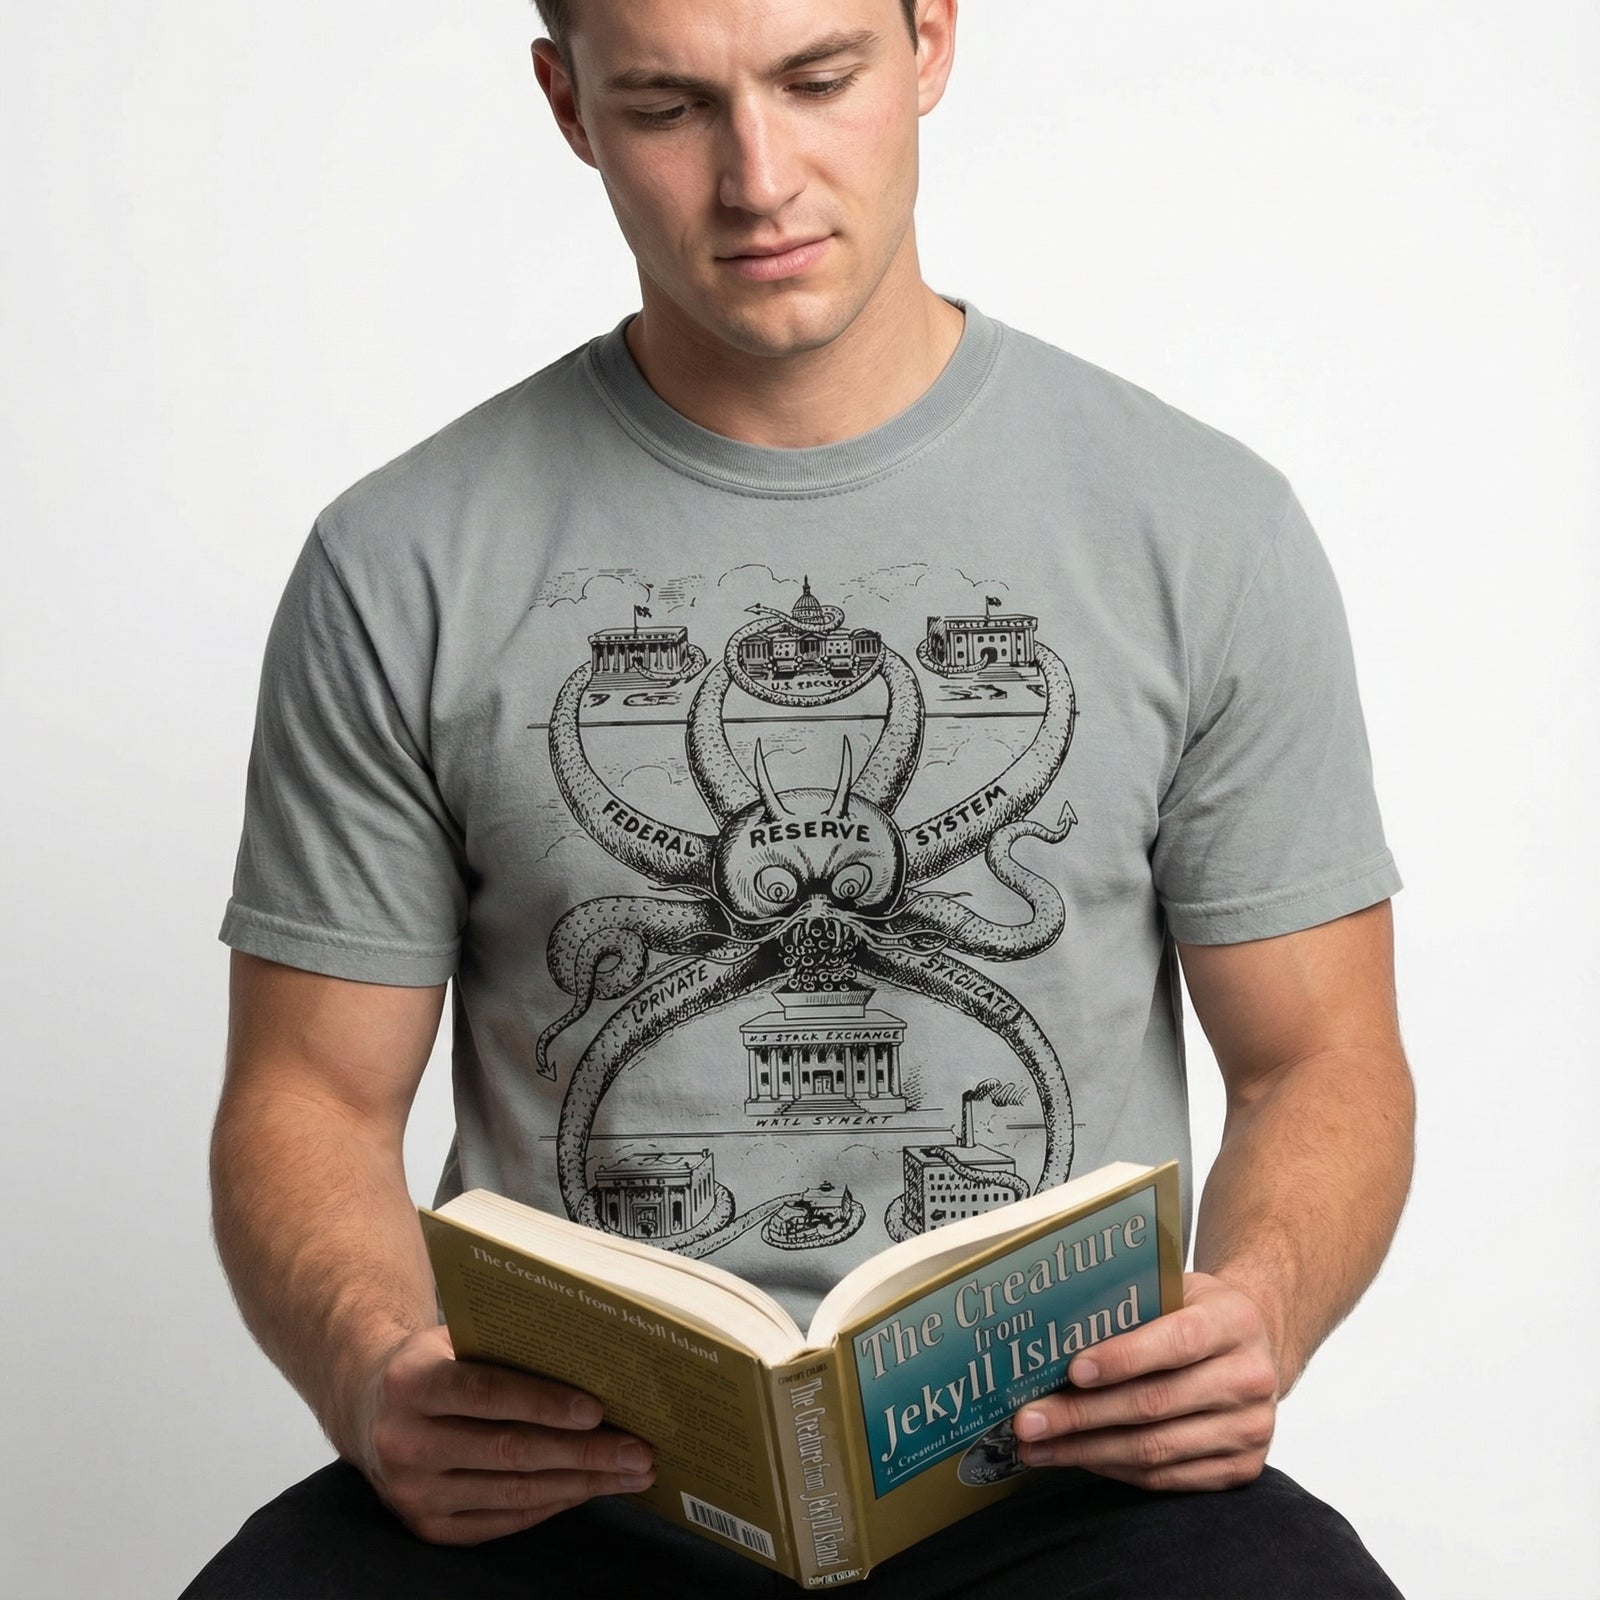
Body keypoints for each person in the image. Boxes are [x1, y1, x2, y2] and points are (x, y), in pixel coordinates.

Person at [187, 2, 1414, 1595]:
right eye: (667, 108)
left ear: (930, 43)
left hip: (1061, 1466)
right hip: (570, 1469)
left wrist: (1256, 1305)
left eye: (817, 80)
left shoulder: (1205, 529)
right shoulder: (403, 561)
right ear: (568, 106)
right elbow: (308, 1099)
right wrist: (372, 1371)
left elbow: (1325, 1056)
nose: (757, 178)